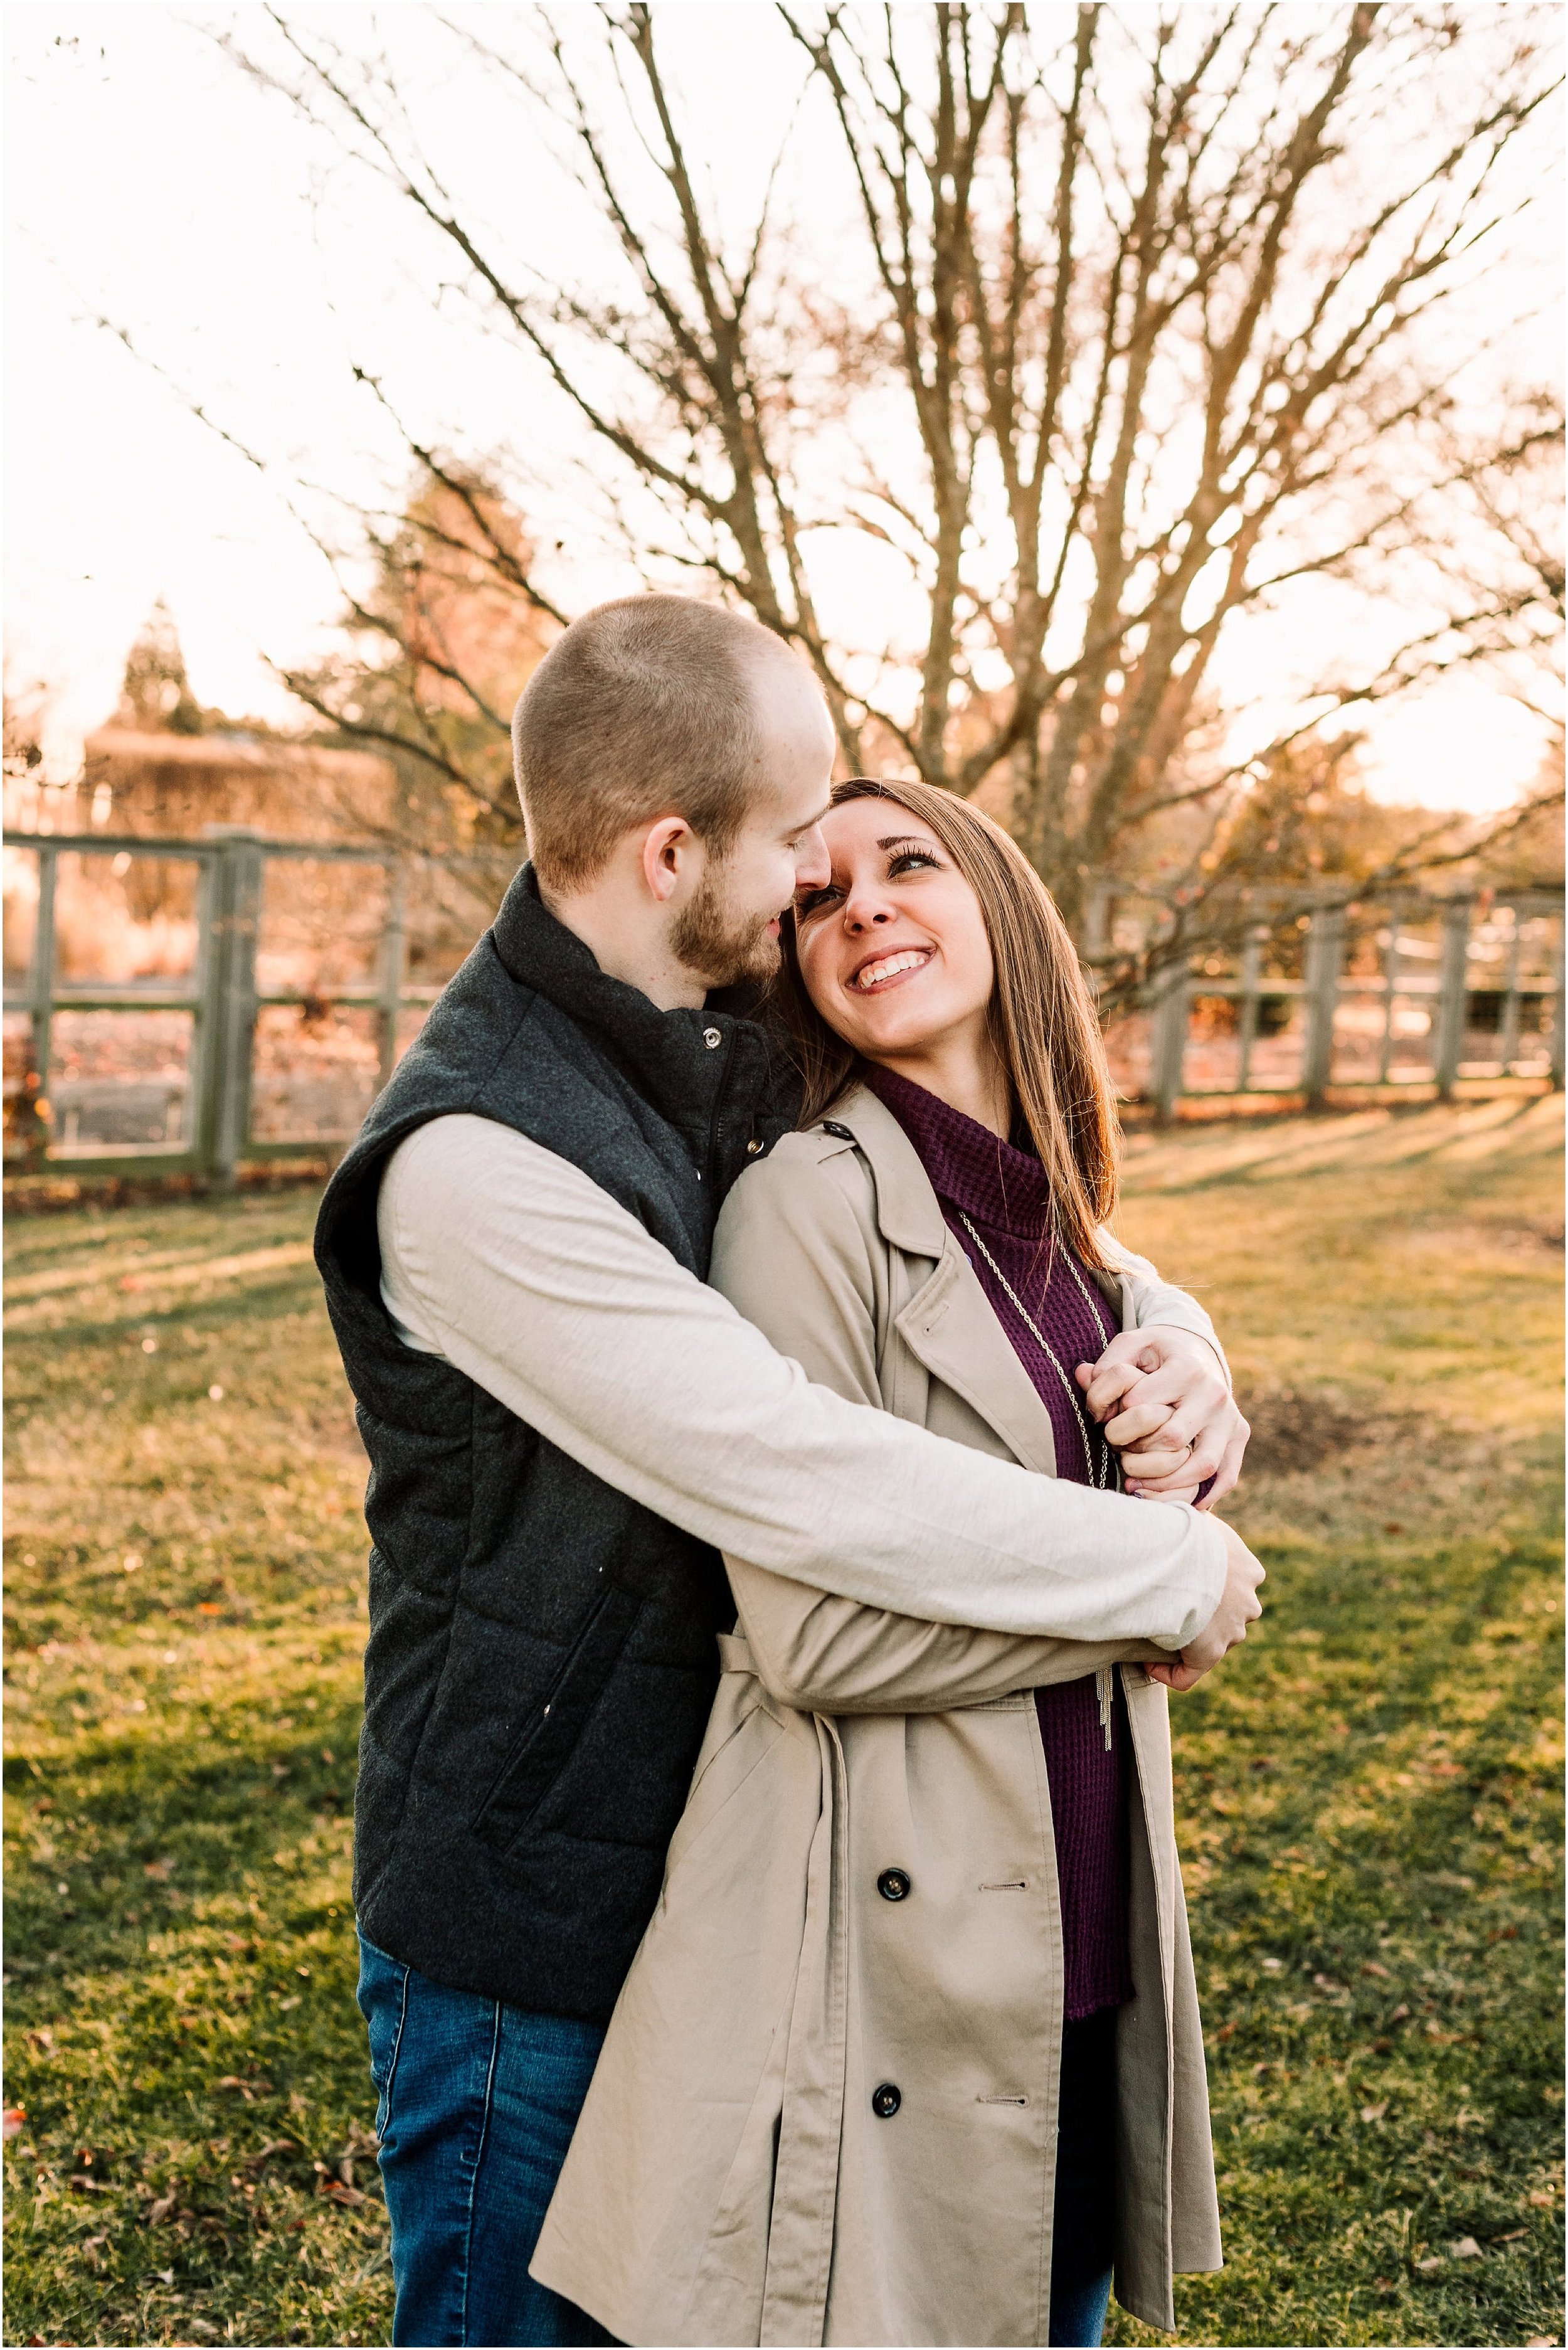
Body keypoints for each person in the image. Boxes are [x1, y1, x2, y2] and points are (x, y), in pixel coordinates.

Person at [313, 598, 1259, 2348]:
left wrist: (1188, 1357)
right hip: (529, 1939)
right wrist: (1168, 1578)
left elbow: (1023, 1220)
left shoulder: (703, 1018)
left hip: (740, 1891)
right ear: (674, 849)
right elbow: (788, 1465)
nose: (822, 878)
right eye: (796, 845)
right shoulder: (469, 1163)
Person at [531, 776, 1262, 2349]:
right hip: (885, 1962)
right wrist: (1153, 1591)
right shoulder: (803, 1206)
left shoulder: (1066, 1221)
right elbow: (810, 1644)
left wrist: (1199, 1374)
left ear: (998, 899)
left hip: (1077, 1945)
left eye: (905, 863)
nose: (857, 904)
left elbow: (1137, 1331)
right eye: (815, 894)